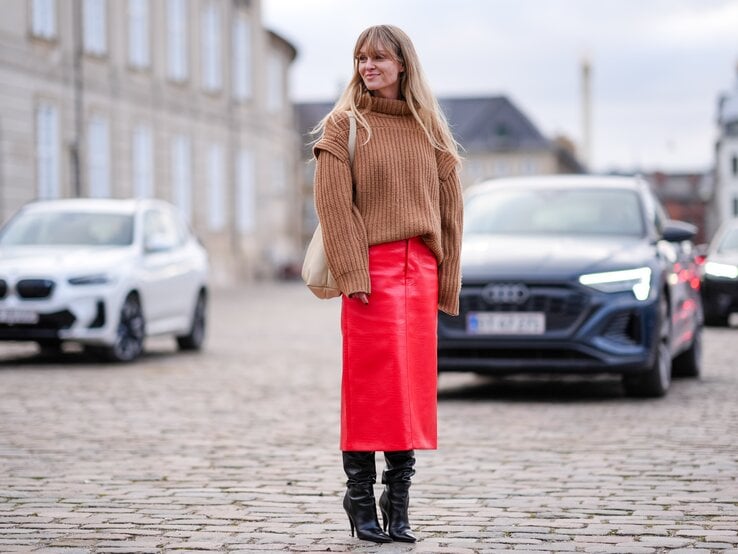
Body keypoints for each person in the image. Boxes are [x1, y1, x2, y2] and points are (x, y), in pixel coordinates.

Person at [312, 24, 463, 543]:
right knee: (369, 389)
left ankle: (397, 505)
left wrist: (447, 278)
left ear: (403, 64)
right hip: (369, 276)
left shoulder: (430, 129)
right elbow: (334, 207)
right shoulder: (343, 126)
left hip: (419, 272)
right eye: (360, 58)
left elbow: (450, 211)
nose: (367, 67)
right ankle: (359, 498)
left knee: (410, 392)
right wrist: (354, 271)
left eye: (378, 58)